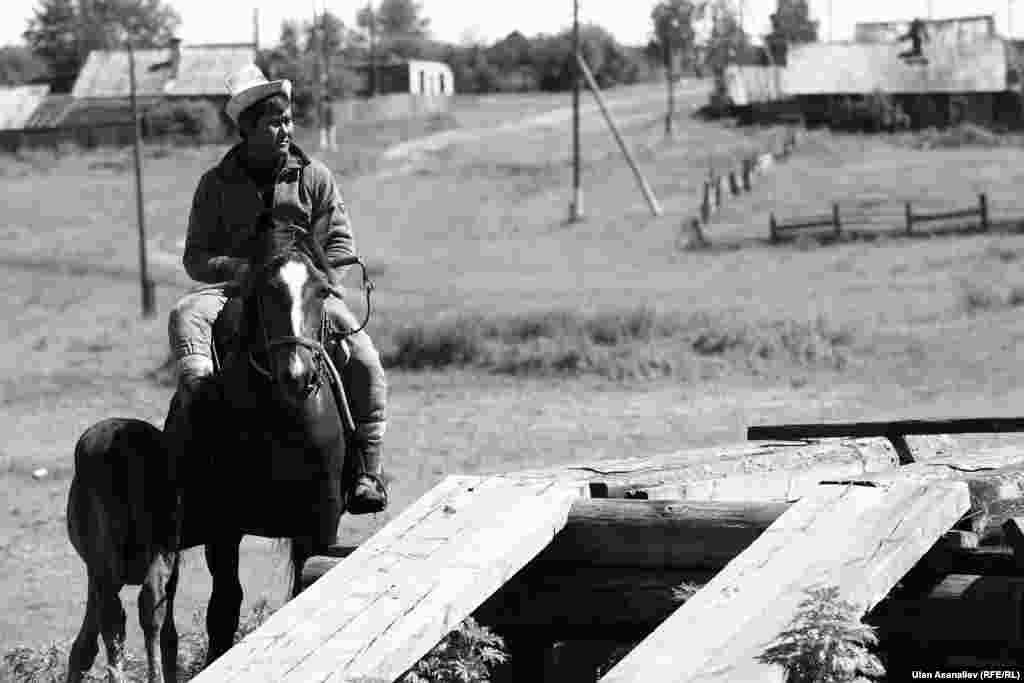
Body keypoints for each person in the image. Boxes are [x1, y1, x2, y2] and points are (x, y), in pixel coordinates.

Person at [167, 64, 388, 514]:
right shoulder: (215, 185)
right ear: (247, 129)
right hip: (237, 289)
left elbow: (341, 243)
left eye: (288, 120)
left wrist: (316, 280)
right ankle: (193, 434)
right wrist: (239, 269)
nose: (286, 128)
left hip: (303, 292)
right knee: (185, 314)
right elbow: (195, 257)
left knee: (364, 359)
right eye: (274, 122)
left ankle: (366, 469)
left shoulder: (315, 178)